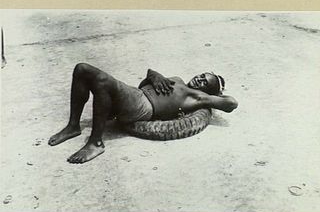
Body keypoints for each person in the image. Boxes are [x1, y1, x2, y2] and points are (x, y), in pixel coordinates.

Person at [48, 63, 238, 164]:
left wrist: (214, 97)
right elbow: (147, 79)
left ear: (207, 92)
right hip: (136, 94)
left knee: (98, 78)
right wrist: (153, 76)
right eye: (201, 75)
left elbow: (231, 103)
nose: (199, 80)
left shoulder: (196, 97)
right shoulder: (178, 80)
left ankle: (96, 143)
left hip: (142, 106)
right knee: (81, 70)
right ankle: (73, 126)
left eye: (205, 82)